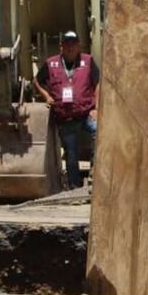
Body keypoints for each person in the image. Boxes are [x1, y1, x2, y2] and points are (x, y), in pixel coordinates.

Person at [34, 31, 100, 188]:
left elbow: (98, 83)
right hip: (66, 117)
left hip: (86, 113)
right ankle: (75, 186)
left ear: (79, 46)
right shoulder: (51, 63)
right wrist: (46, 96)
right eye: (67, 45)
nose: (70, 48)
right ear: (61, 47)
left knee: (98, 131)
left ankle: (95, 172)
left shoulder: (88, 61)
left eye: (73, 44)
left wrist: (97, 107)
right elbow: (36, 81)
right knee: (71, 153)